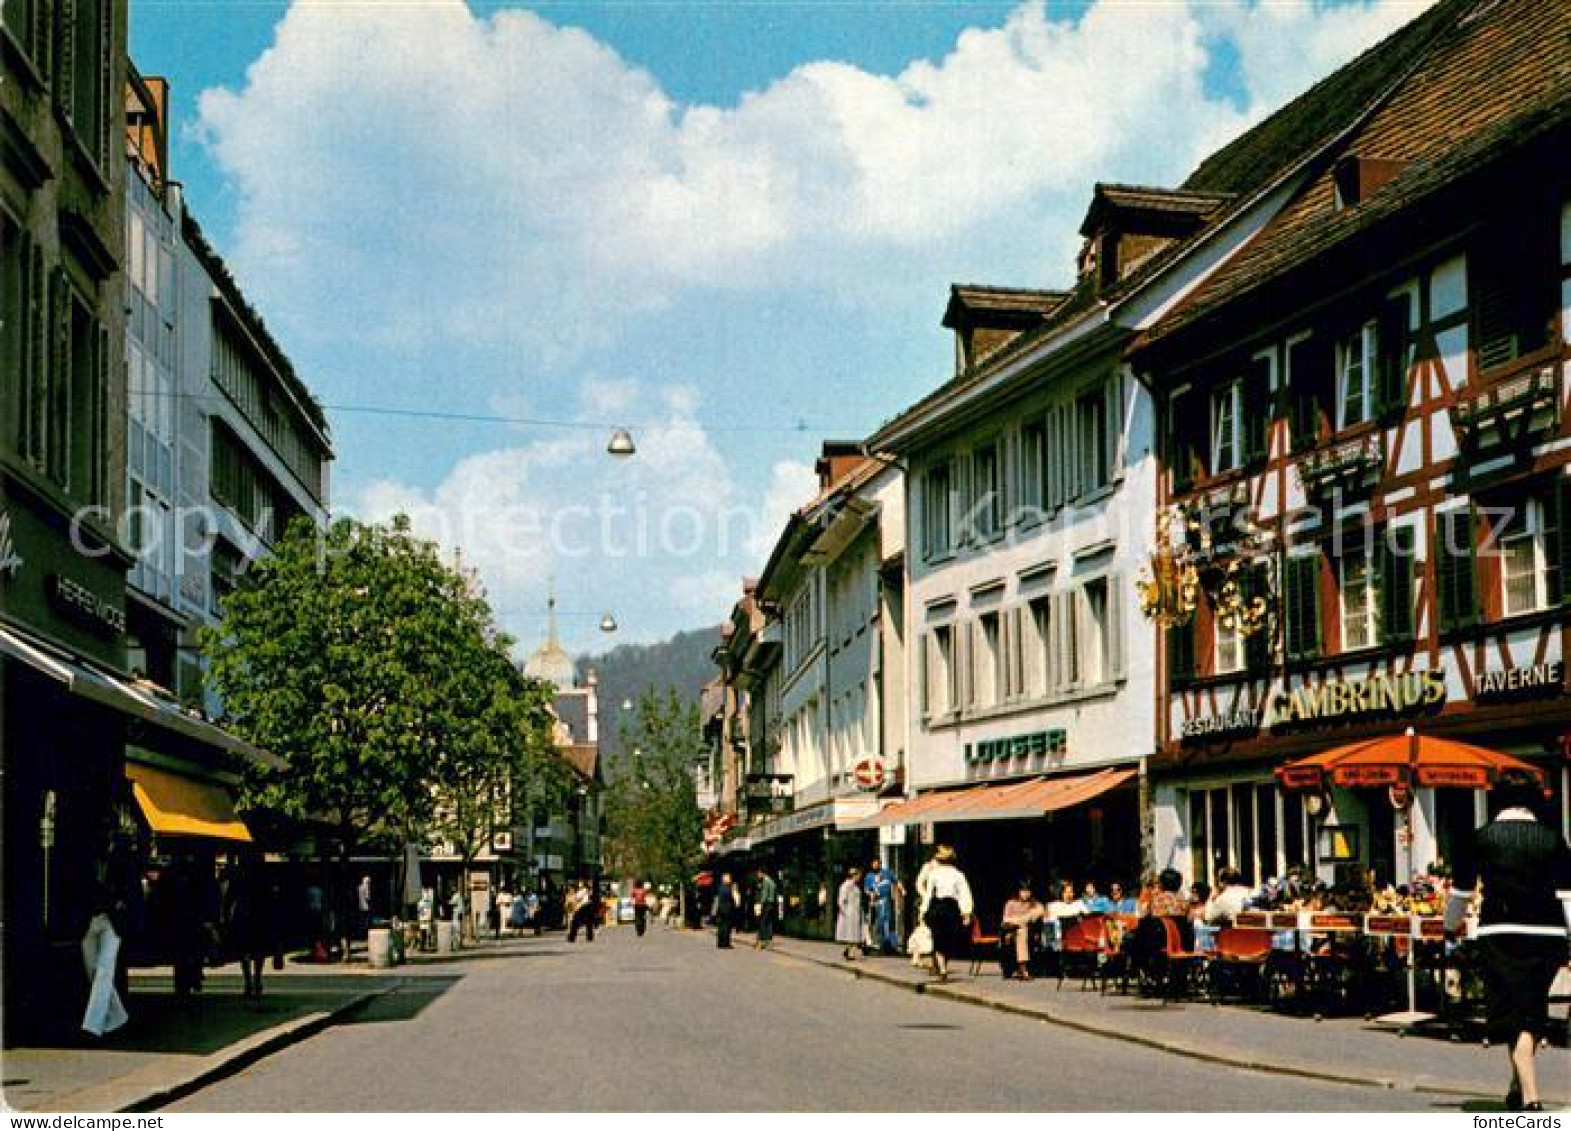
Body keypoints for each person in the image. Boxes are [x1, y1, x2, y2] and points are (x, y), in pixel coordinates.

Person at [1445, 775, 1571, 1113]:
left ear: (1496, 800)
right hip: (1547, 935)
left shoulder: (1481, 839)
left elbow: (1461, 893)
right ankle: (1516, 1087)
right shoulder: (1552, 840)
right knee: (1528, 1006)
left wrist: (1448, 925)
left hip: (1500, 933)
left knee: (1516, 1014)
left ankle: (1531, 1098)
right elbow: (1567, 896)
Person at [222, 855, 272, 999]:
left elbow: (229, 899)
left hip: (243, 915)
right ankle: (257, 978)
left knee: (244, 951)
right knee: (258, 951)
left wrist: (226, 917)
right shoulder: (262, 879)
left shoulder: (238, 878)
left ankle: (248, 980)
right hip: (259, 915)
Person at [920, 846, 972, 983]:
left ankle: (942, 968)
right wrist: (966, 912)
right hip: (951, 908)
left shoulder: (935, 874)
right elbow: (964, 894)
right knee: (948, 939)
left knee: (939, 939)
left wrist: (924, 910)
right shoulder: (958, 874)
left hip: (938, 907)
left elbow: (929, 894)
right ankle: (943, 969)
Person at [1000, 882, 1046, 980]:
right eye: (1023, 891)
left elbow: (1041, 910)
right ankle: (1023, 969)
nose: (1026, 894)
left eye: (1028, 892)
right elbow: (1005, 920)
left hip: (1027, 932)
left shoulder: (1034, 904)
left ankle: (1022, 969)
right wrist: (1022, 921)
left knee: (1022, 930)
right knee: (1021, 930)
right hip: (1010, 931)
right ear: (1019, 892)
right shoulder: (1011, 903)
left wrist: (1023, 920)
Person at [863, 859, 899, 954]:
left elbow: (896, 882)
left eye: (877, 864)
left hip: (887, 901)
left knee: (888, 922)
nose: (875, 866)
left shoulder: (887, 873)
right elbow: (866, 889)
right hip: (875, 902)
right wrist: (871, 894)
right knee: (877, 923)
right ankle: (877, 943)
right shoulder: (869, 876)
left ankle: (889, 944)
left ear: (880, 864)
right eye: (873, 864)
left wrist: (898, 893)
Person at [835, 867, 864, 960]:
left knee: (854, 934)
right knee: (852, 934)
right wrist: (845, 912)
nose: (859, 877)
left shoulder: (855, 886)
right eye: (858, 875)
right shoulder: (846, 886)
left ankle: (847, 950)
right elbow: (841, 900)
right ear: (853, 876)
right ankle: (850, 953)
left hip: (855, 911)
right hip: (849, 912)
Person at [713, 872, 740, 949]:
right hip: (728, 909)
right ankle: (726, 943)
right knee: (727, 927)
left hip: (720, 909)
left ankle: (720, 943)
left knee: (721, 927)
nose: (730, 880)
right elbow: (735, 900)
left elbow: (717, 899)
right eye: (729, 878)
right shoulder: (730, 888)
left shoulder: (720, 887)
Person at [755, 868, 778, 949]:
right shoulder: (772, 881)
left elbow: (764, 894)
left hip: (766, 903)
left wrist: (760, 904)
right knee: (769, 922)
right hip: (772, 903)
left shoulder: (765, 881)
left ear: (762, 873)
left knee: (763, 922)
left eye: (759, 873)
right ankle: (769, 941)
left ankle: (762, 941)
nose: (758, 875)